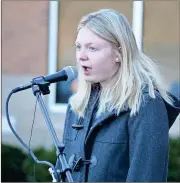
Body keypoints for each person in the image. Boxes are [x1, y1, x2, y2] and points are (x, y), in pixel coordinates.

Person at [56, 9, 180, 182]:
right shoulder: (77, 104)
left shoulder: (146, 104)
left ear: (119, 53)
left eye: (92, 48)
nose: (81, 56)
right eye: (78, 47)